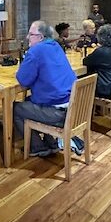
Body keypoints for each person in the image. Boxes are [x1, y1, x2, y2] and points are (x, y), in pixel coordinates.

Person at [14, 20, 77, 158]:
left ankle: (37, 146)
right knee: (29, 99)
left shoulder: (35, 51)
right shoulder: (56, 45)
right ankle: (51, 142)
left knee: (16, 109)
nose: (27, 37)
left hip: (58, 113)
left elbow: (23, 79)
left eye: (31, 34)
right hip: (72, 107)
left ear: (41, 37)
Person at [83, 24, 111, 98]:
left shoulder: (100, 51)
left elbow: (85, 61)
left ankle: (84, 107)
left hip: (104, 87)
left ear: (101, 37)